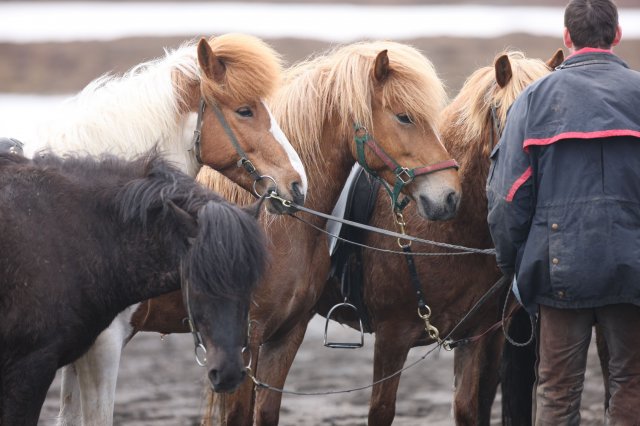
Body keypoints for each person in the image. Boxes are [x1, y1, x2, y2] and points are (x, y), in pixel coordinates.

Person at [486, 0, 640, 424]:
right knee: (631, 382)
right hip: (633, 267)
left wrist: (513, 264)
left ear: (567, 38)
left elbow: (506, 197)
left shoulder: (535, 99)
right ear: (618, 34)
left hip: (559, 272)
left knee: (556, 389)